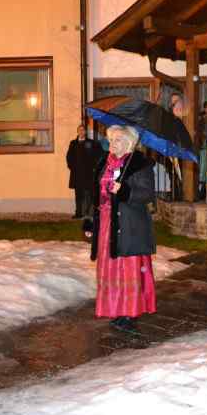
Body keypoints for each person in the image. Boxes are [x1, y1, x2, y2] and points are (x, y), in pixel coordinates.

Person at [83, 125, 156, 333]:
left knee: (127, 269)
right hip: (107, 223)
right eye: (111, 140)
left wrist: (124, 191)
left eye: (116, 140)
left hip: (129, 225)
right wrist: (90, 221)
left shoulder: (139, 164)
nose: (112, 144)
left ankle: (129, 313)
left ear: (129, 143)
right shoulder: (104, 163)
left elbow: (147, 194)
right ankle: (115, 309)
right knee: (110, 269)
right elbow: (94, 193)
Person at [66, 124, 102, 219]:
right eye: (79, 130)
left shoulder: (91, 143)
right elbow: (69, 157)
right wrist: (72, 167)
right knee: (78, 195)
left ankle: (90, 213)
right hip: (77, 174)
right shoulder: (73, 143)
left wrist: (94, 167)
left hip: (88, 174)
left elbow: (99, 154)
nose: (81, 132)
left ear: (85, 132)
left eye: (83, 130)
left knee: (90, 194)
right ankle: (78, 213)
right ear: (77, 132)